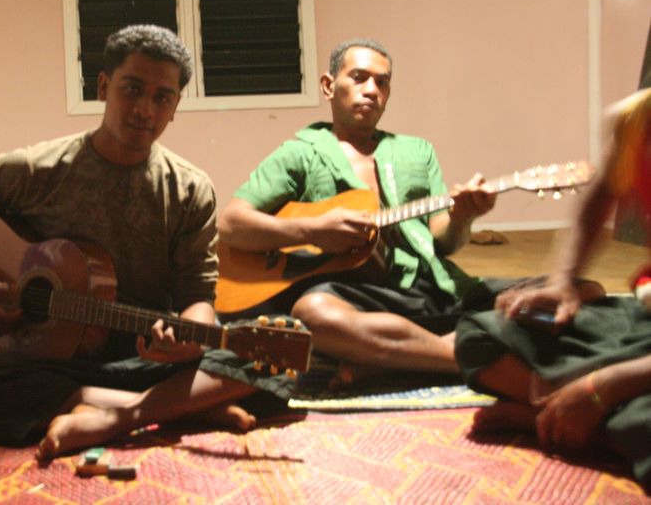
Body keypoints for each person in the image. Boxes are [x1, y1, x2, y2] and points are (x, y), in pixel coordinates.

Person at [0, 25, 285, 462]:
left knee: (272, 352)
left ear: (175, 107)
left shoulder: (189, 190)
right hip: (46, 357)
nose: (145, 109)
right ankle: (179, 405)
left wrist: (189, 341)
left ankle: (112, 413)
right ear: (104, 86)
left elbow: (197, 296)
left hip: (141, 354)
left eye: (162, 97)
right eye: (132, 89)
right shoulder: (33, 169)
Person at [218, 38, 507, 383]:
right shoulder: (300, 153)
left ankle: (388, 361)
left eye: (382, 82)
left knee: (555, 296)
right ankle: (468, 361)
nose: (371, 90)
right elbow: (232, 224)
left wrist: (462, 218)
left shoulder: (417, 151)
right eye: (359, 77)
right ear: (328, 86)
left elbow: (442, 242)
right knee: (313, 314)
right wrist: (314, 230)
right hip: (355, 298)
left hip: (428, 288)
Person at [455, 87, 651, 491]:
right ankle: (575, 415)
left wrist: (602, 387)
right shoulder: (636, 119)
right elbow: (599, 195)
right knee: (481, 334)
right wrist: (562, 281)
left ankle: (562, 419)